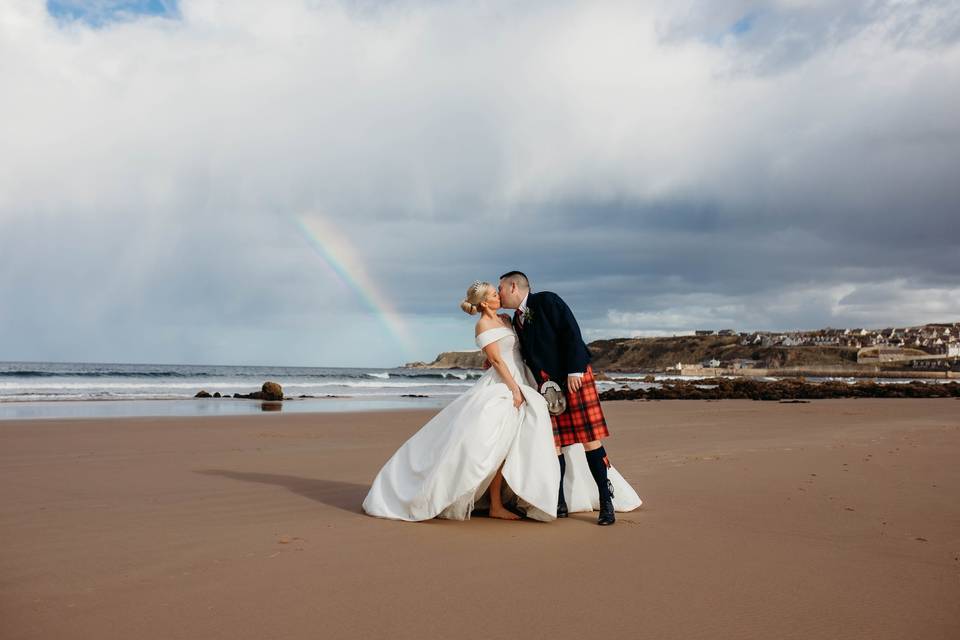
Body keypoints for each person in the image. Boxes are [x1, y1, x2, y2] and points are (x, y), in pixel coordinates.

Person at [362, 281, 559, 521]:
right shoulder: (482, 325)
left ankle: (512, 497)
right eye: (495, 294)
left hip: (522, 378)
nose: (500, 296)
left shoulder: (506, 320)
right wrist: (515, 390)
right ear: (485, 302)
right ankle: (494, 504)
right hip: (504, 385)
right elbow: (496, 361)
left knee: (513, 444)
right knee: (493, 446)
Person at [498, 271, 630, 525]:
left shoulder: (547, 301)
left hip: (573, 379)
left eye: (500, 288)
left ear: (513, 286)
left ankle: (606, 502)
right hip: (547, 388)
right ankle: (558, 503)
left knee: (590, 441)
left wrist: (574, 370)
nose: (498, 293)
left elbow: (571, 332)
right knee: (554, 444)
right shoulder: (517, 319)